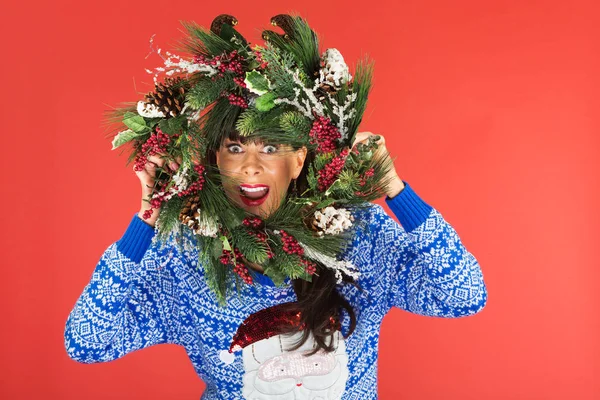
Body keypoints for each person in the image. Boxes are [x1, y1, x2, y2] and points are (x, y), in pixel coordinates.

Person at [64, 14, 488, 399]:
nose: (250, 165)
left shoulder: (360, 236)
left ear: (299, 158)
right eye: (234, 147)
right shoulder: (188, 259)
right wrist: (147, 222)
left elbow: (464, 295)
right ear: (215, 159)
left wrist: (395, 190)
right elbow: (87, 342)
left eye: (270, 146)